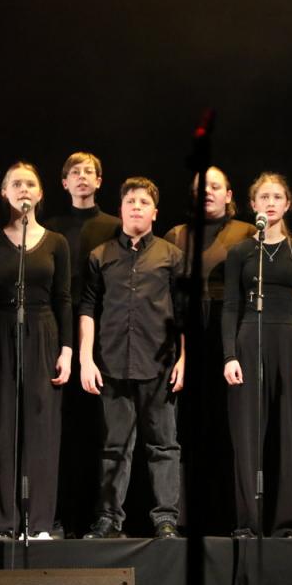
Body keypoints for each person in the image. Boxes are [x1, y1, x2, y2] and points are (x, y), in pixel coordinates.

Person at [80, 177, 185, 539]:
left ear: (155, 212)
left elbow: (183, 311)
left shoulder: (171, 255)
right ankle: (109, 518)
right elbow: (88, 307)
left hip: (160, 364)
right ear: (121, 209)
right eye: (130, 202)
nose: (136, 207)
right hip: (112, 363)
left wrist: (183, 359)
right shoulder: (101, 255)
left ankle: (166, 518)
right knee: (114, 446)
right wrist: (85, 359)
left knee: (163, 445)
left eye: (143, 202)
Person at [0, 162, 72, 541]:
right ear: (5, 192)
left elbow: (64, 299)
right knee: (4, 427)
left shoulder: (56, 242)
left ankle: (40, 522)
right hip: (2, 331)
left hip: (43, 331)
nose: (24, 189)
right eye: (16, 183)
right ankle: (4, 522)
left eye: (30, 183)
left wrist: (66, 350)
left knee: (42, 427)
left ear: (40, 193)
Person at [221, 172, 292, 538]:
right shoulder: (240, 252)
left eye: (278, 196)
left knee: (289, 433)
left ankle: (289, 522)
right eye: (264, 197)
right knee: (247, 434)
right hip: (249, 338)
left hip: (289, 339)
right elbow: (230, 306)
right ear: (253, 204)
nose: (271, 202)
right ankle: (249, 521)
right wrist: (229, 355)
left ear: (288, 204)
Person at [163, 166, 255, 534]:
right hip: (187, 333)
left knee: (228, 424)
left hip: (229, 330)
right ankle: (188, 517)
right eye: (200, 188)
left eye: (215, 186)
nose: (207, 192)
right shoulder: (176, 235)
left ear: (229, 195)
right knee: (188, 425)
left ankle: (233, 515)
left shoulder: (247, 232)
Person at [45, 151, 121, 537]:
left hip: (103, 332)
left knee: (101, 430)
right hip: (59, 331)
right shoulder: (51, 228)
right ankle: (59, 516)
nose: (81, 177)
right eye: (74, 172)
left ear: (99, 181)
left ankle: (102, 517)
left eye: (89, 171)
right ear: (64, 183)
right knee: (62, 429)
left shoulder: (115, 226)